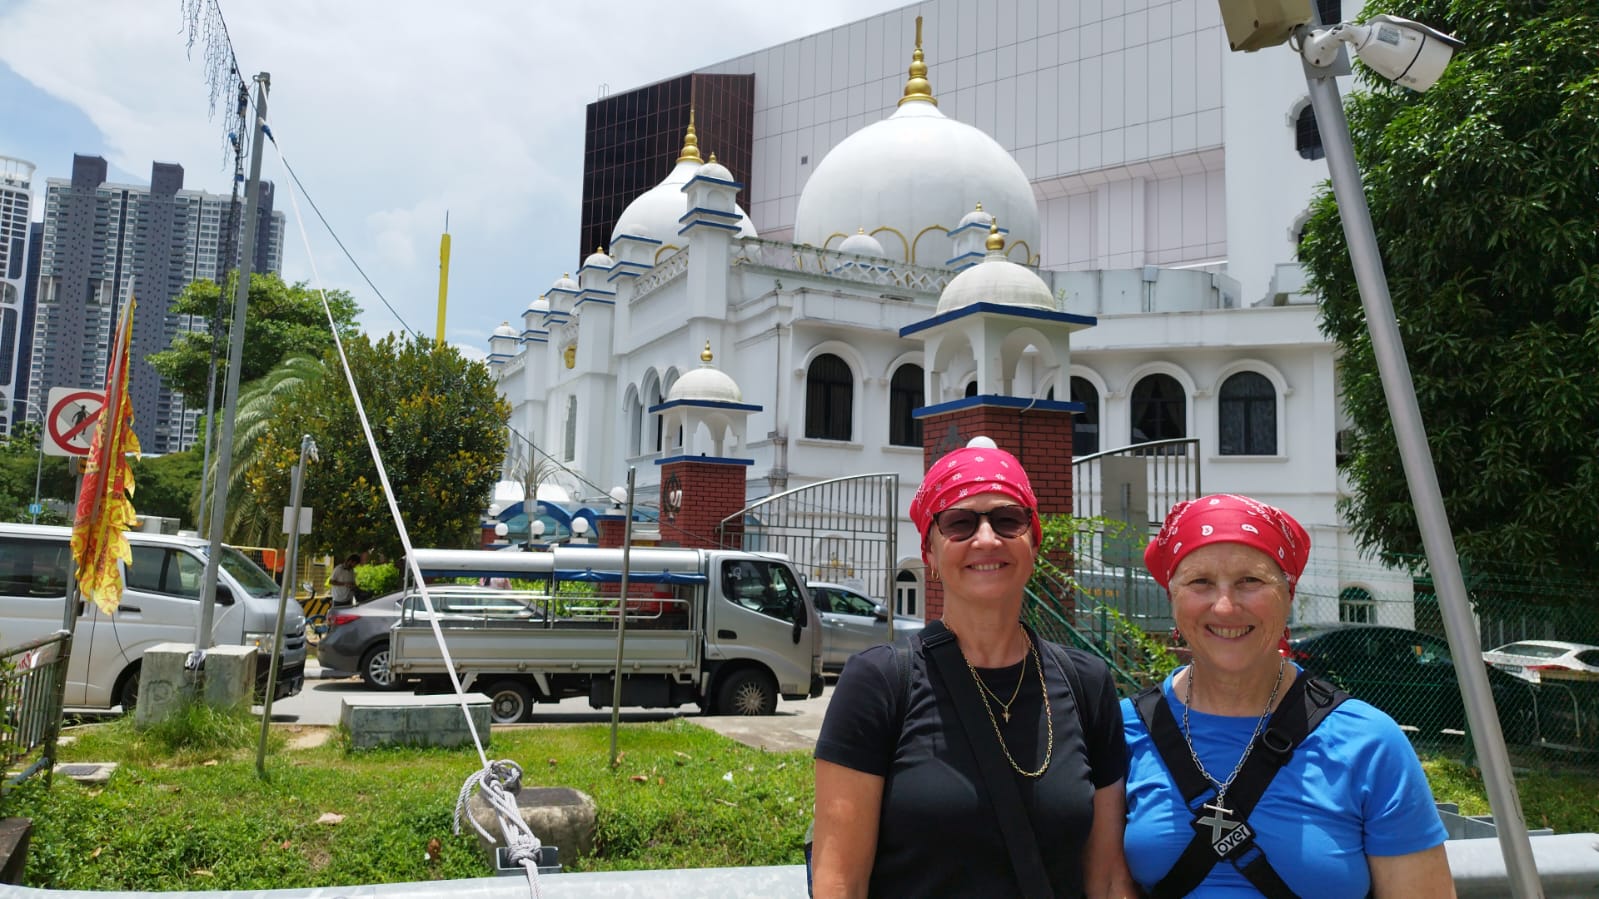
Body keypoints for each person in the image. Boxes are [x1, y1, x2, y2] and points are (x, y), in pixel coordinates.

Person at [812, 444, 1134, 898]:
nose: (987, 539)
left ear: (1034, 542)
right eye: (960, 523)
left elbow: (1106, 879)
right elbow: (839, 881)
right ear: (930, 551)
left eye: (1008, 520)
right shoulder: (881, 683)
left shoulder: (1086, 683)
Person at [1123, 494, 1453, 897]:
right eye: (1200, 581)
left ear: (1289, 594)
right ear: (1171, 597)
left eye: (1251, 580)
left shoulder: (1369, 743)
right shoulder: (1123, 729)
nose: (1225, 606)